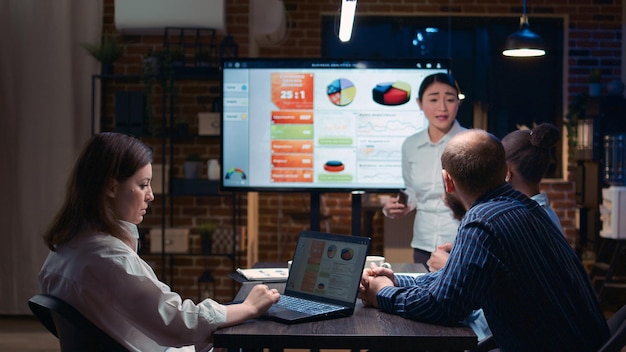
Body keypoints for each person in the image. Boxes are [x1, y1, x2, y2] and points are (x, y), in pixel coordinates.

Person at [359, 129, 609, 352]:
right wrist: (396, 280)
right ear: (504, 171)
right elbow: (454, 281)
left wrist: (383, 293)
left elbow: (445, 306)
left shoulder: (482, 221)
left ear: (447, 181)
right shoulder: (525, 206)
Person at [38, 132, 280, 352]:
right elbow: (179, 324)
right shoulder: (110, 259)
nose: (151, 195)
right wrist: (247, 307)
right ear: (111, 187)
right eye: (143, 185)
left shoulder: (63, 250)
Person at [427, 122, 564, 272]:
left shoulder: (518, 220)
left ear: (506, 172)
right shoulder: (545, 214)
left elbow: (509, 281)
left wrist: (451, 265)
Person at [382, 73, 466, 265]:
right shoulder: (410, 145)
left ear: (458, 103)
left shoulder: (471, 142)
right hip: (423, 244)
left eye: (450, 99)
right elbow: (412, 191)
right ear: (420, 103)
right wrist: (395, 207)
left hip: (462, 242)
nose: (442, 107)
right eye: (434, 99)